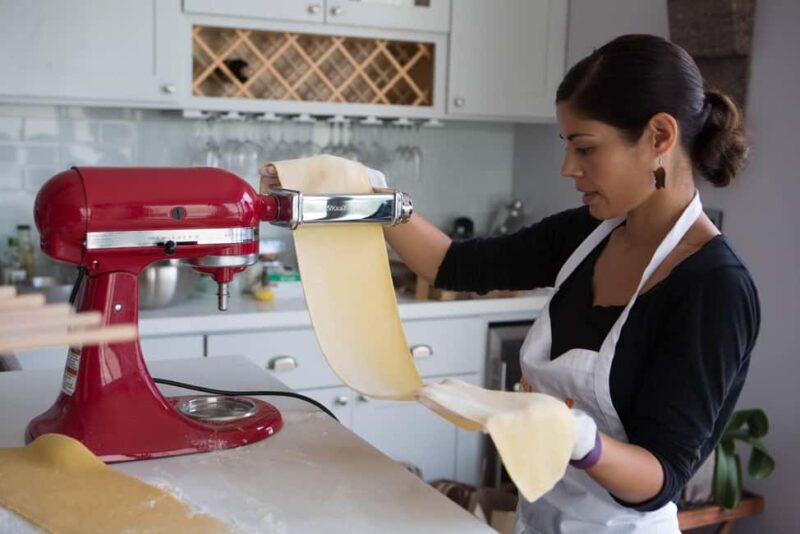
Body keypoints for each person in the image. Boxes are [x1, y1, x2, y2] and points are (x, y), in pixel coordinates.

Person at [261, 33, 760, 534]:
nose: (568, 168)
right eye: (568, 147)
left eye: (585, 147)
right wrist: (372, 196)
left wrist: (578, 437)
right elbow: (454, 265)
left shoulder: (714, 288)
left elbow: (661, 478)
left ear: (659, 137)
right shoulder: (587, 234)